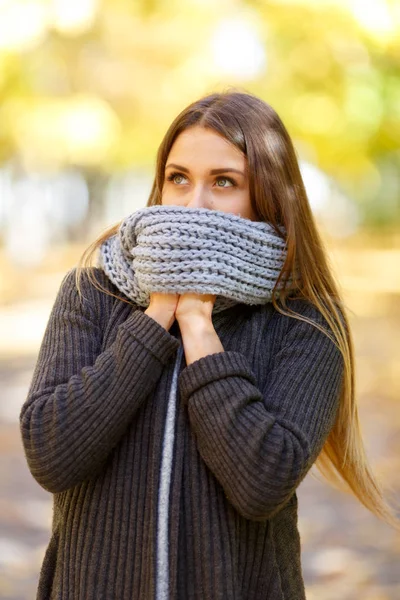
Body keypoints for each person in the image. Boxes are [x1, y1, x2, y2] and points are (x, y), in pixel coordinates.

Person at [20, 90, 399, 600]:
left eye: (224, 182)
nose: (194, 203)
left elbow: (262, 483)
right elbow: (51, 455)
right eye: (179, 178)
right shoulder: (91, 294)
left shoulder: (304, 322)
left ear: (267, 196)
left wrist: (198, 326)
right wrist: (156, 317)